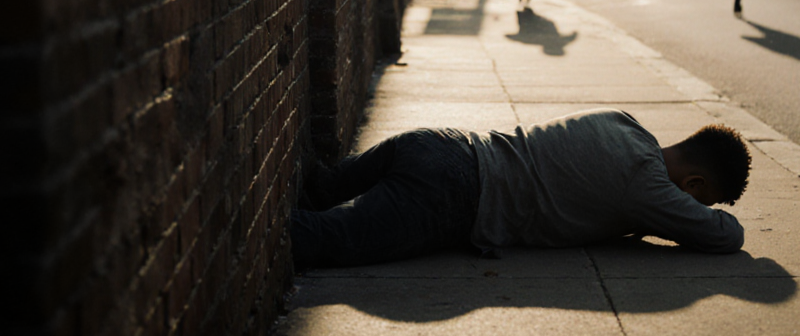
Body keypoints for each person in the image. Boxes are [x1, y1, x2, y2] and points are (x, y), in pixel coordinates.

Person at [289, 108, 751, 269]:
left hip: (441, 142)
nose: (686, 207)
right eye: (698, 198)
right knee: (315, 239)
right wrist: (701, 215)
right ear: (693, 183)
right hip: (454, 197)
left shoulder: (623, 122)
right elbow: (724, 235)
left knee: (325, 186)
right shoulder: (647, 184)